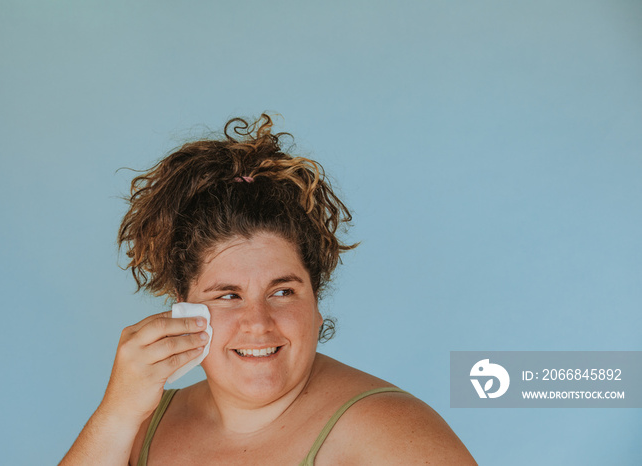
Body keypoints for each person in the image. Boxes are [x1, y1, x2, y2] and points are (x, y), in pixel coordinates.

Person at [60, 115, 476, 465]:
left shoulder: (388, 434)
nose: (258, 324)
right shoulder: (138, 431)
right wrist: (116, 414)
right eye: (228, 295)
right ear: (184, 311)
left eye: (282, 292)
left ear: (316, 302)